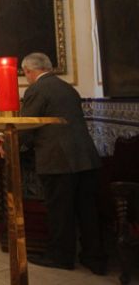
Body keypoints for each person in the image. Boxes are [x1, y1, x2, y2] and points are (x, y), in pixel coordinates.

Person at [20, 52, 105, 275]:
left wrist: (10, 146)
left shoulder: (37, 89)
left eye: (25, 73)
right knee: (87, 210)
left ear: (29, 70)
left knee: (60, 210)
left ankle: (61, 256)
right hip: (85, 156)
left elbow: (27, 125)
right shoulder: (68, 88)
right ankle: (94, 257)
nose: (26, 77)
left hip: (58, 159)